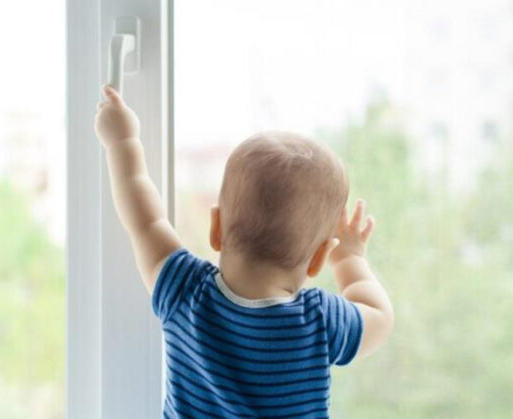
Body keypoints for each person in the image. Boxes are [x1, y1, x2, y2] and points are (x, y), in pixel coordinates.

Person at [94, 84, 394, 418]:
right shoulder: (320, 321)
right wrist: (350, 259)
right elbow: (379, 317)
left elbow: (145, 220)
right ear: (318, 258)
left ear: (216, 229)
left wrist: (122, 142)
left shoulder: (184, 290)